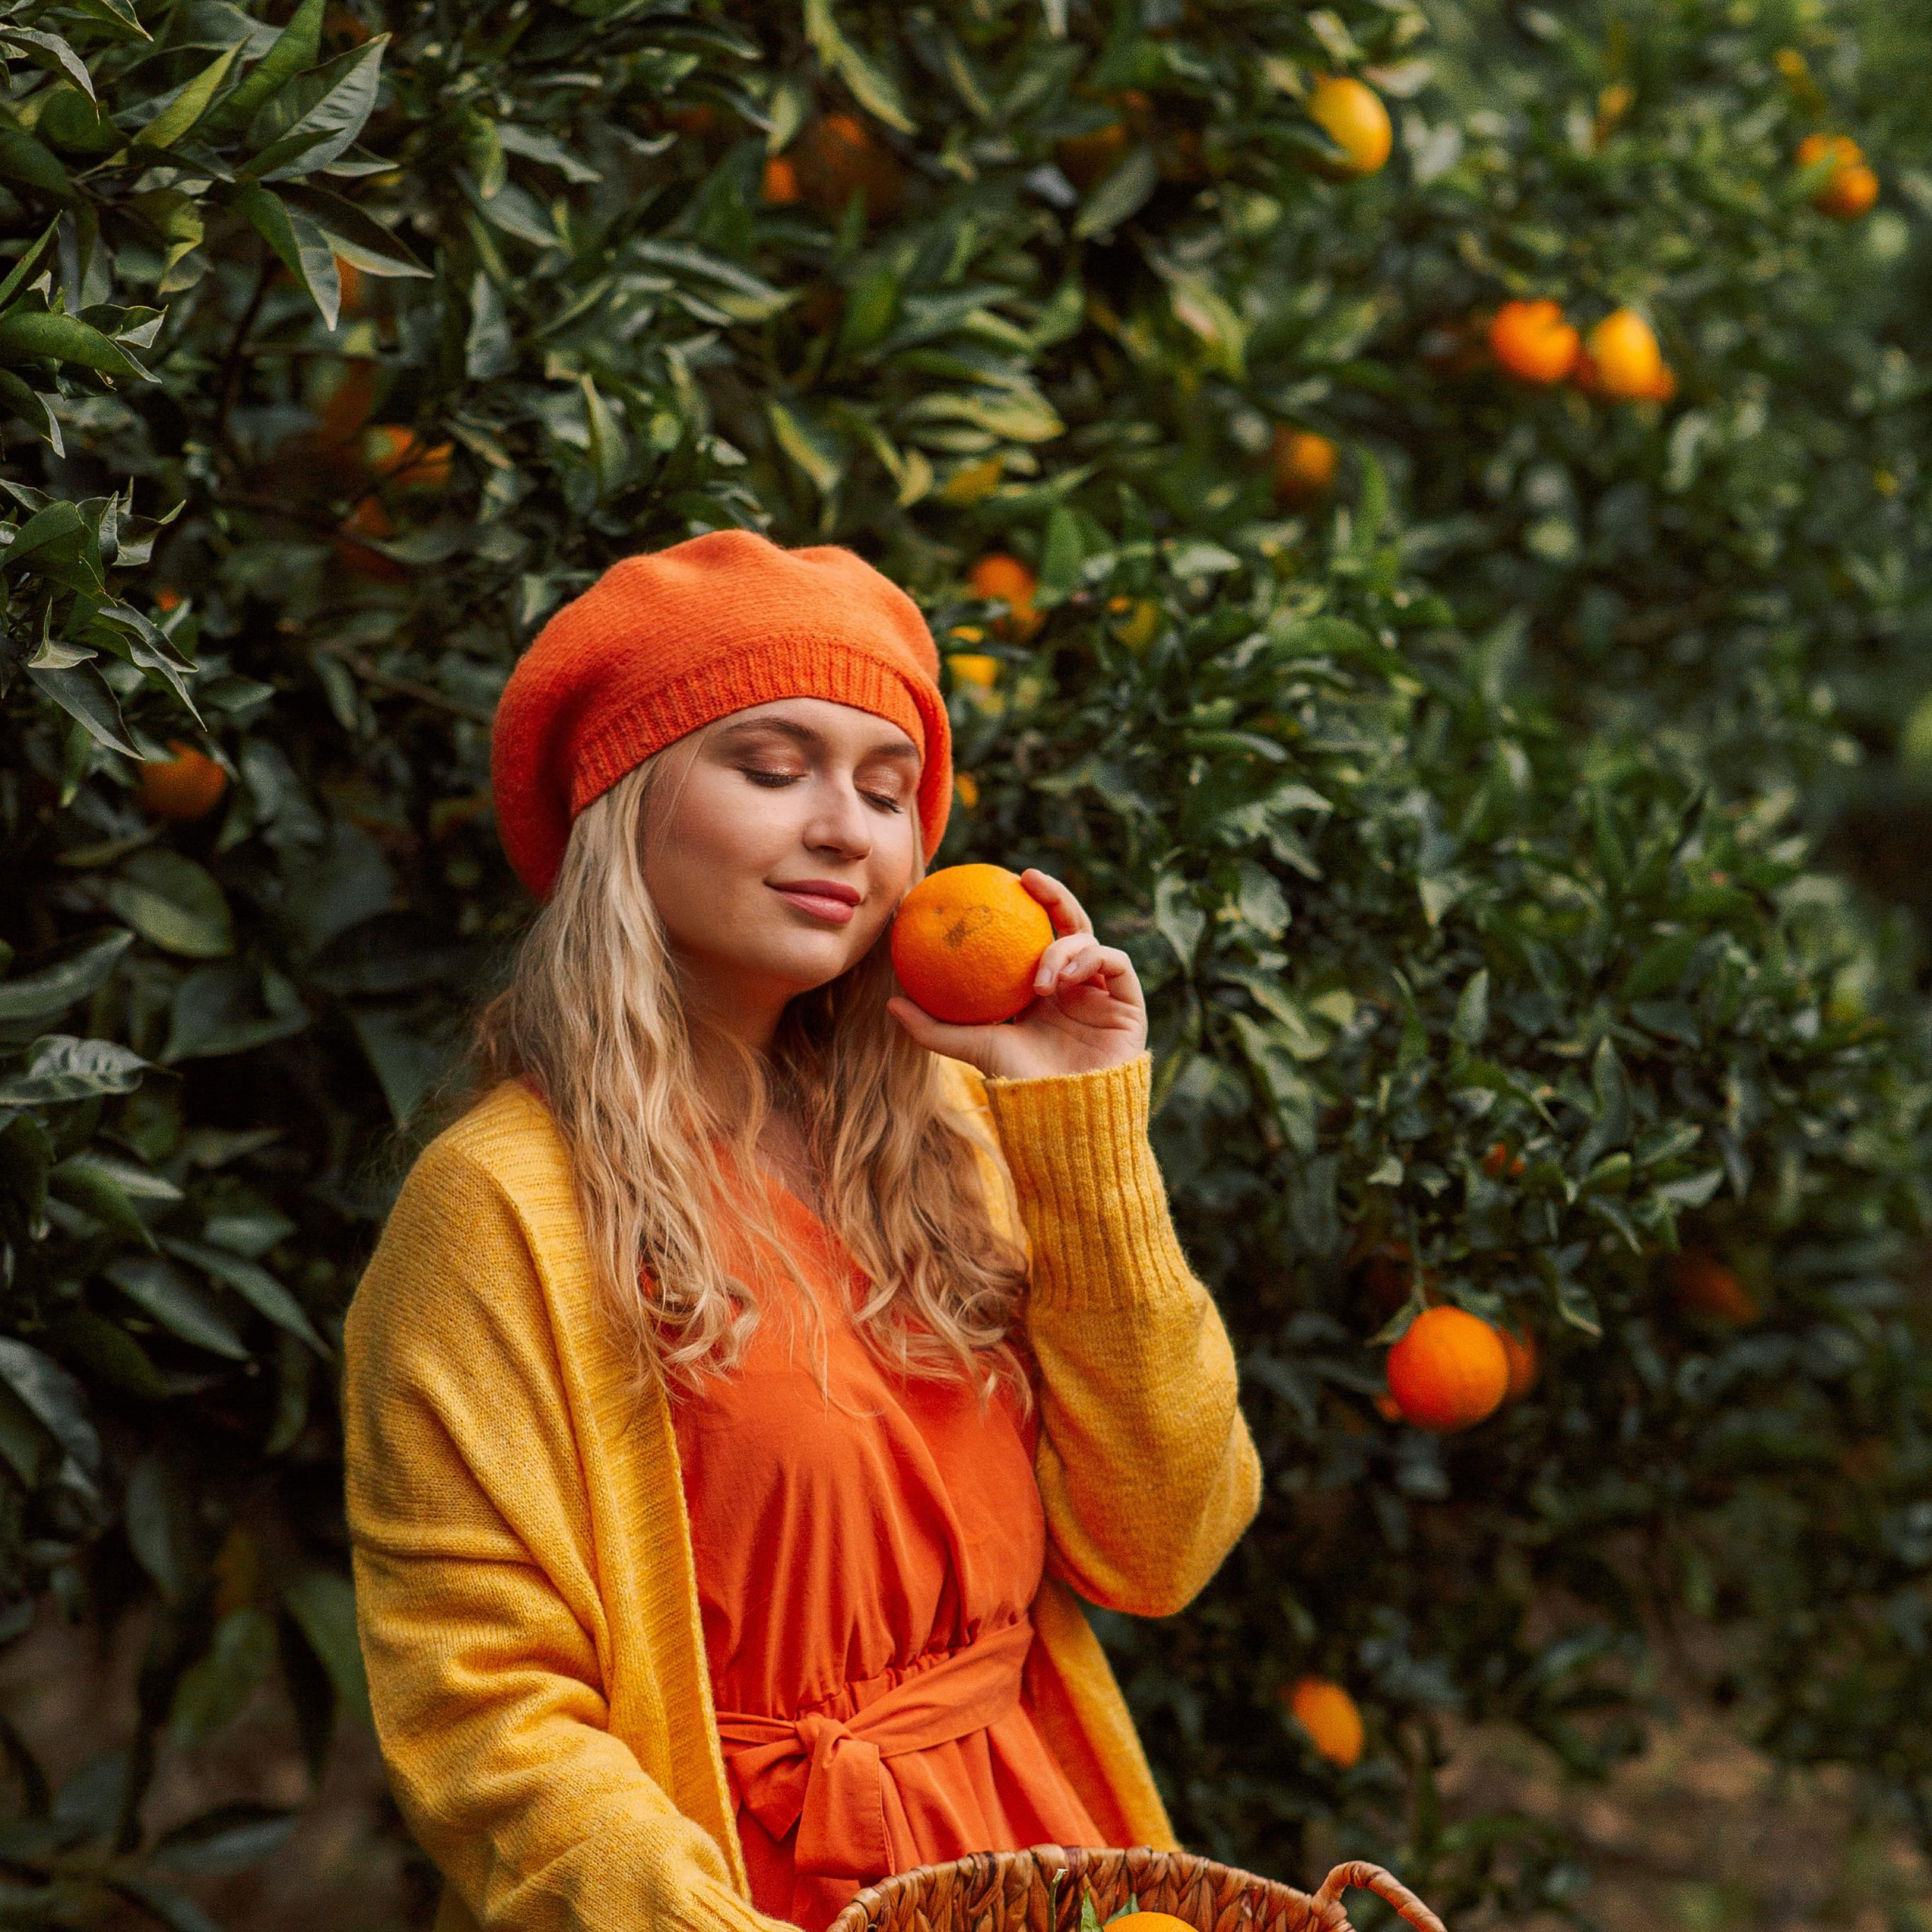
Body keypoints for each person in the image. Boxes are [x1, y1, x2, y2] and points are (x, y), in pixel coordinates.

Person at [340, 528, 1263, 1932]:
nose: (844, 826)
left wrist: (1084, 1139)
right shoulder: (502, 1208)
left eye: (888, 793)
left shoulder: (950, 1133)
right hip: (743, 1889)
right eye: (772, 771)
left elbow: (1166, 1542)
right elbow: (482, 1711)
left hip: (1045, 1859)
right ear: (627, 806)